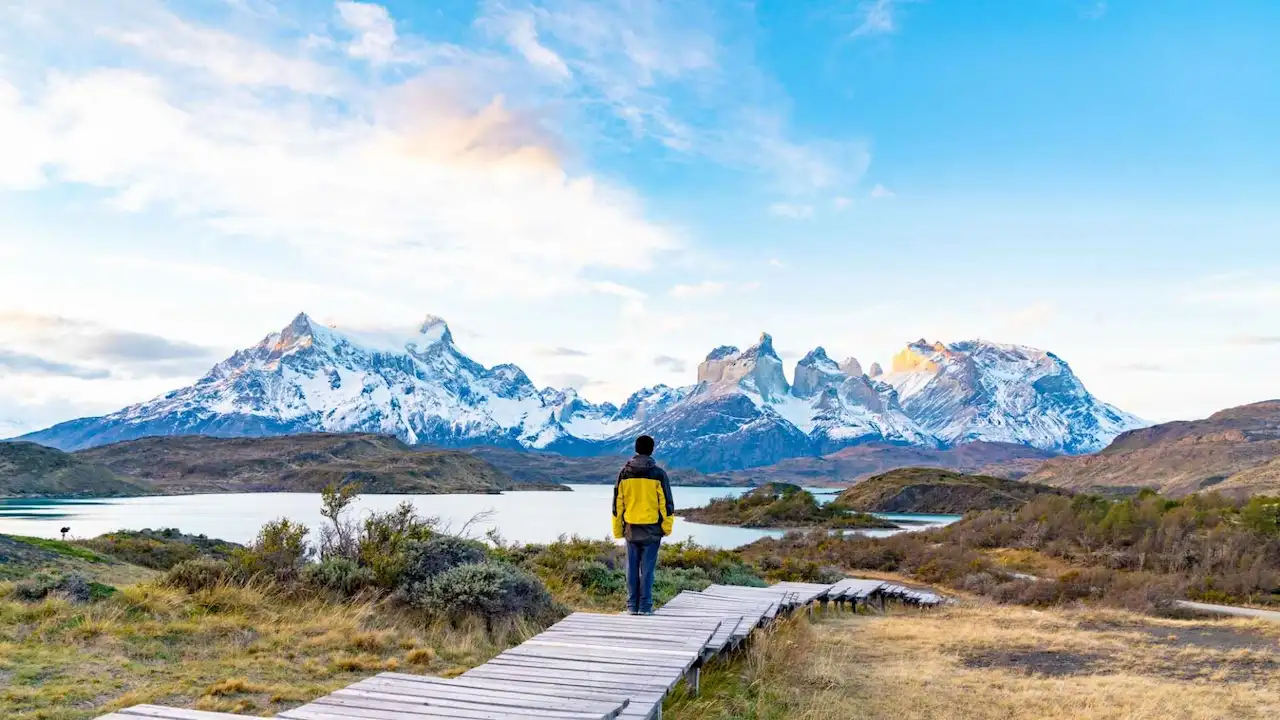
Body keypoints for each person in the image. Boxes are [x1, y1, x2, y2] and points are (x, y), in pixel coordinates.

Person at [612, 434, 674, 615]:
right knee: (647, 569)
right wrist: (666, 528)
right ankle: (645, 607)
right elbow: (666, 504)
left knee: (631, 568)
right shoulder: (658, 474)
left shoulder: (624, 473)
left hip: (631, 528)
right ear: (651, 450)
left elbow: (618, 505)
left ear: (636, 449)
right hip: (652, 529)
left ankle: (632, 606)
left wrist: (618, 530)